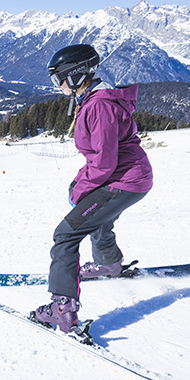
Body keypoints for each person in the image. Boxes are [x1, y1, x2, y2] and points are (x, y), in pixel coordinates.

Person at [32, 44, 153, 338]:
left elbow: (103, 163)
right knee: (95, 212)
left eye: (57, 78)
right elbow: (99, 158)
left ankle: (62, 309)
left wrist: (80, 188)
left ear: (74, 76)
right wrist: (81, 181)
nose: (57, 85)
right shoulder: (94, 99)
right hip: (128, 178)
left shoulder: (99, 105)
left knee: (66, 233)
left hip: (123, 180)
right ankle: (108, 263)